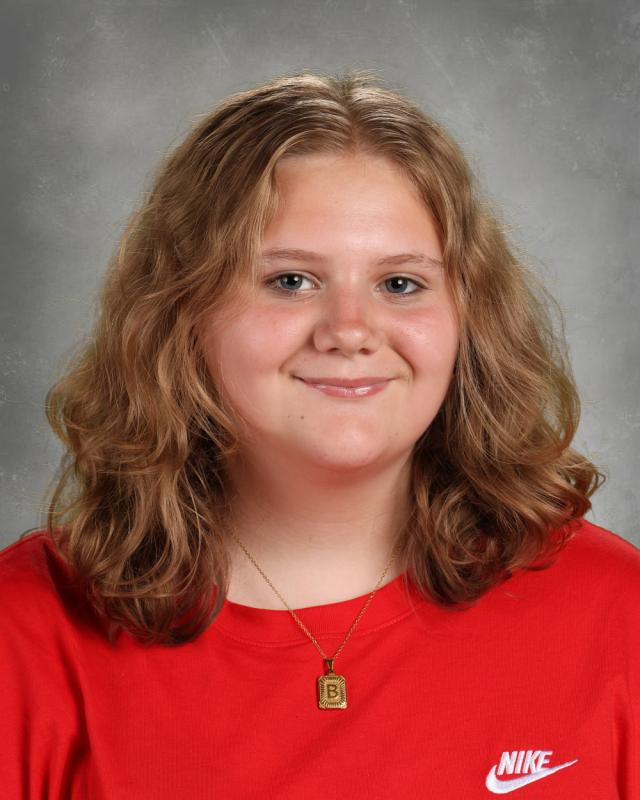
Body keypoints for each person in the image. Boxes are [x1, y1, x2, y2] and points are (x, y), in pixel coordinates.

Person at [0, 69, 638, 799]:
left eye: (400, 283)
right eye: (291, 281)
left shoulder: (619, 615)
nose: (350, 331)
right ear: (180, 311)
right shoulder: (23, 635)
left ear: (469, 317)